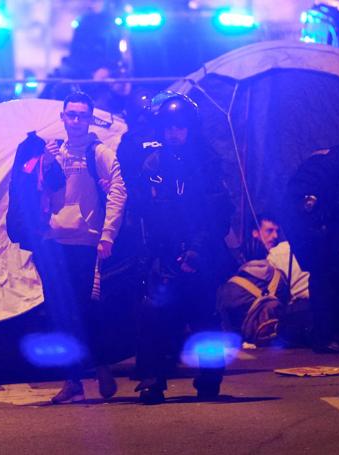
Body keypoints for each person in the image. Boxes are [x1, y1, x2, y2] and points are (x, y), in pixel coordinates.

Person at [119, 91, 233, 404]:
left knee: (204, 318)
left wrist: (198, 250)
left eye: (180, 126)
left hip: (200, 253)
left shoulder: (207, 163)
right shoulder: (154, 163)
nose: (174, 132)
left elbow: (217, 213)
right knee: (155, 316)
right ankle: (153, 380)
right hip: (164, 253)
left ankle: (210, 377)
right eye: (169, 126)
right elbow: (142, 209)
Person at [33, 91, 127, 404]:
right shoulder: (53, 150)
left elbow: (118, 190)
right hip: (53, 240)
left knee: (86, 309)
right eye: (71, 114)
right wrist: (44, 162)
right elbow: (40, 194)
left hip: (86, 241)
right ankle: (72, 378)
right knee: (60, 312)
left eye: (81, 115)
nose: (75, 120)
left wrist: (107, 235)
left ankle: (100, 364)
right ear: (62, 117)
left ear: (89, 118)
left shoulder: (98, 151)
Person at [283, 139, 339, 353]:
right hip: (311, 219)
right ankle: (329, 334)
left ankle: (335, 332)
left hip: (315, 215)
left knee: (333, 264)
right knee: (328, 266)